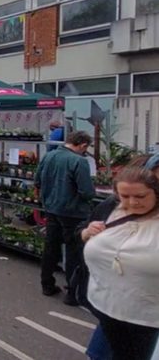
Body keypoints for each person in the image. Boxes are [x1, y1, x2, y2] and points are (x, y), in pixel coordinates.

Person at [81, 165, 159, 359]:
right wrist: (86, 232)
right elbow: (81, 233)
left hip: (147, 315)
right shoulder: (111, 207)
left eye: (141, 197)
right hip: (106, 306)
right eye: (124, 196)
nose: (132, 202)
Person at [35, 131, 95, 305]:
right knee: (74, 251)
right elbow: (86, 191)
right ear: (83, 145)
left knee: (51, 246)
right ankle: (72, 291)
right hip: (73, 212)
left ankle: (47, 284)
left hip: (51, 208)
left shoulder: (50, 156)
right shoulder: (79, 161)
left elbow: (38, 180)